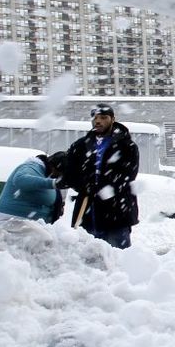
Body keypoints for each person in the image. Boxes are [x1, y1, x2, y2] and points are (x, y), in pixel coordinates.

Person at [62, 103, 140, 249]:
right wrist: (85, 186)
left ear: (113, 119)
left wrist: (102, 189)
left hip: (117, 211)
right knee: (89, 259)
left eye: (103, 118)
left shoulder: (126, 146)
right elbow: (70, 174)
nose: (98, 121)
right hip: (88, 212)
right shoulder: (80, 146)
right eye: (95, 118)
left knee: (118, 257)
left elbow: (128, 176)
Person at [0, 152, 67, 225]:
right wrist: (53, 183)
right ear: (54, 167)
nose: (59, 177)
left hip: (28, 224)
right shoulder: (31, 167)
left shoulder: (48, 175)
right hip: (9, 221)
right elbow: (20, 179)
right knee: (47, 238)